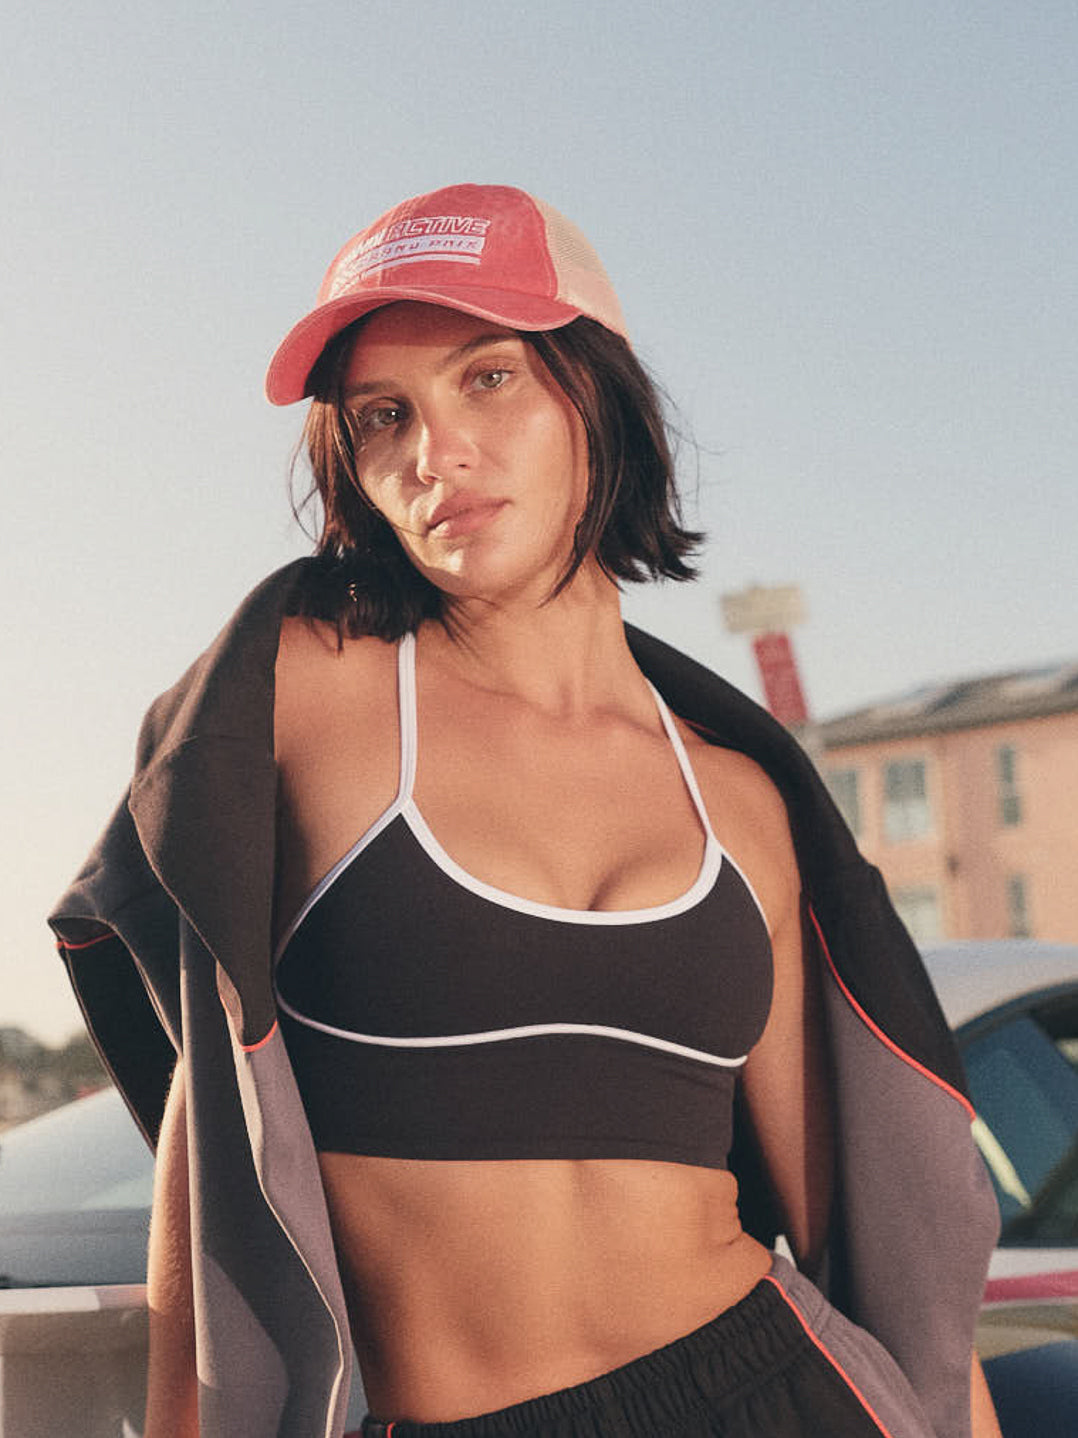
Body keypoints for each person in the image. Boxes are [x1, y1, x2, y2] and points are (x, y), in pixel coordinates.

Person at [50, 184, 1002, 1438]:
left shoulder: (740, 796)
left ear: (591, 392)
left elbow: (867, 1246)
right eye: (382, 414)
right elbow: (209, 1136)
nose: (432, 451)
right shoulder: (304, 699)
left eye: (486, 379)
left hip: (772, 1388)